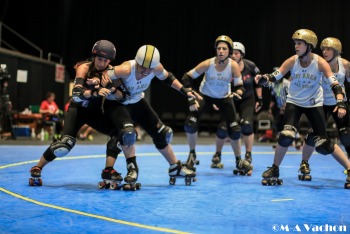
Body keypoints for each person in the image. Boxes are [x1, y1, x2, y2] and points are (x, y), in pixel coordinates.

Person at [29, 40, 136, 189]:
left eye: (106, 60)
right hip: (77, 110)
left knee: (119, 133)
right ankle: (39, 166)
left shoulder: (111, 72)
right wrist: (94, 92)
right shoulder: (84, 67)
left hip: (94, 112)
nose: (102, 63)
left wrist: (112, 88)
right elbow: (77, 94)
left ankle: (108, 170)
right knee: (65, 145)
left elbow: (124, 97)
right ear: (93, 56)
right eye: (99, 59)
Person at [255, 29, 350, 188]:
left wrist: (340, 102)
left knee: (323, 145)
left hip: (314, 104)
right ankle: (275, 169)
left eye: (299, 44)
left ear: (310, 46)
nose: (296, 47)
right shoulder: (292, 61)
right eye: (295, 44)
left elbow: (335, 85)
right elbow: (274, 76)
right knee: (286, 135)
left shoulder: (320, 62)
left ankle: (349, 167)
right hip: (294, 102)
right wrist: (263, 79)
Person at [103, 44, 197, 185]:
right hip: (117, 103)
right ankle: (132, 168)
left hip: (136, 101)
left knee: (162, 133)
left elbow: (168, 78)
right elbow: (101, 74)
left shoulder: (156, 68)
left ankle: (174, 167)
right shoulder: (126, 69)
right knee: (128, 134)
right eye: (142, 68)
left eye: (149, 69)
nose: (146, 72)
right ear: (137, 62)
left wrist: (184, 90)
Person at [181, 35, 252, 175]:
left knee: (235, 130)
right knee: (190, 123)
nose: (220, 51)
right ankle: (192, 154)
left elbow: (240, 86)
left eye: (224, 49)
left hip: (224, 98)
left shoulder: (233, 66)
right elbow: (186, 77)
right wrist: (190, 97)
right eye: (218, 48)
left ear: (229, 52)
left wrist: (238, 93)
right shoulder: (208, 63)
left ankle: (238, 160)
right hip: (205, 96)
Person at [299, 37, 350, 181]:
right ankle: (304, 164)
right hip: (321, 103)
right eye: (323, 49)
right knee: (312, 135)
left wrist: (345, 104)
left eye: (329, 49)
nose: (325, 52)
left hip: (339, 103)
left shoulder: (345, 65)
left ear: (337, 52)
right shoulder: (317, 64)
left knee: (346, 134)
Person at [211, 41, 262, 170]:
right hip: (230, 99)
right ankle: (217, 154)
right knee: (223, 128)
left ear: (242, 55)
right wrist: (216, 99)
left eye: (236, 53)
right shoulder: (224, 66)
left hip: (247, 100)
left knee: (246, 125)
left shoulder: (251, 66)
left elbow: (258, 83)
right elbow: (216, 83)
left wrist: (260, 99)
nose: (233, 56)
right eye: (232, 53)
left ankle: (248, 154)